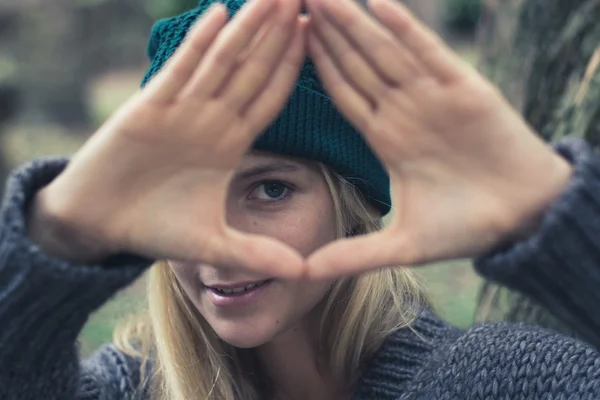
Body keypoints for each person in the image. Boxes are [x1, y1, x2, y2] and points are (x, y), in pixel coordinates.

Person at [2, 0, 600, 399]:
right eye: (188, 190)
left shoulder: (491, 381)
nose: (219, 239)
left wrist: (560, 228)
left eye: (270, 189)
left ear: (351, 206)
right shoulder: (135, 385)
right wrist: (61, 238)